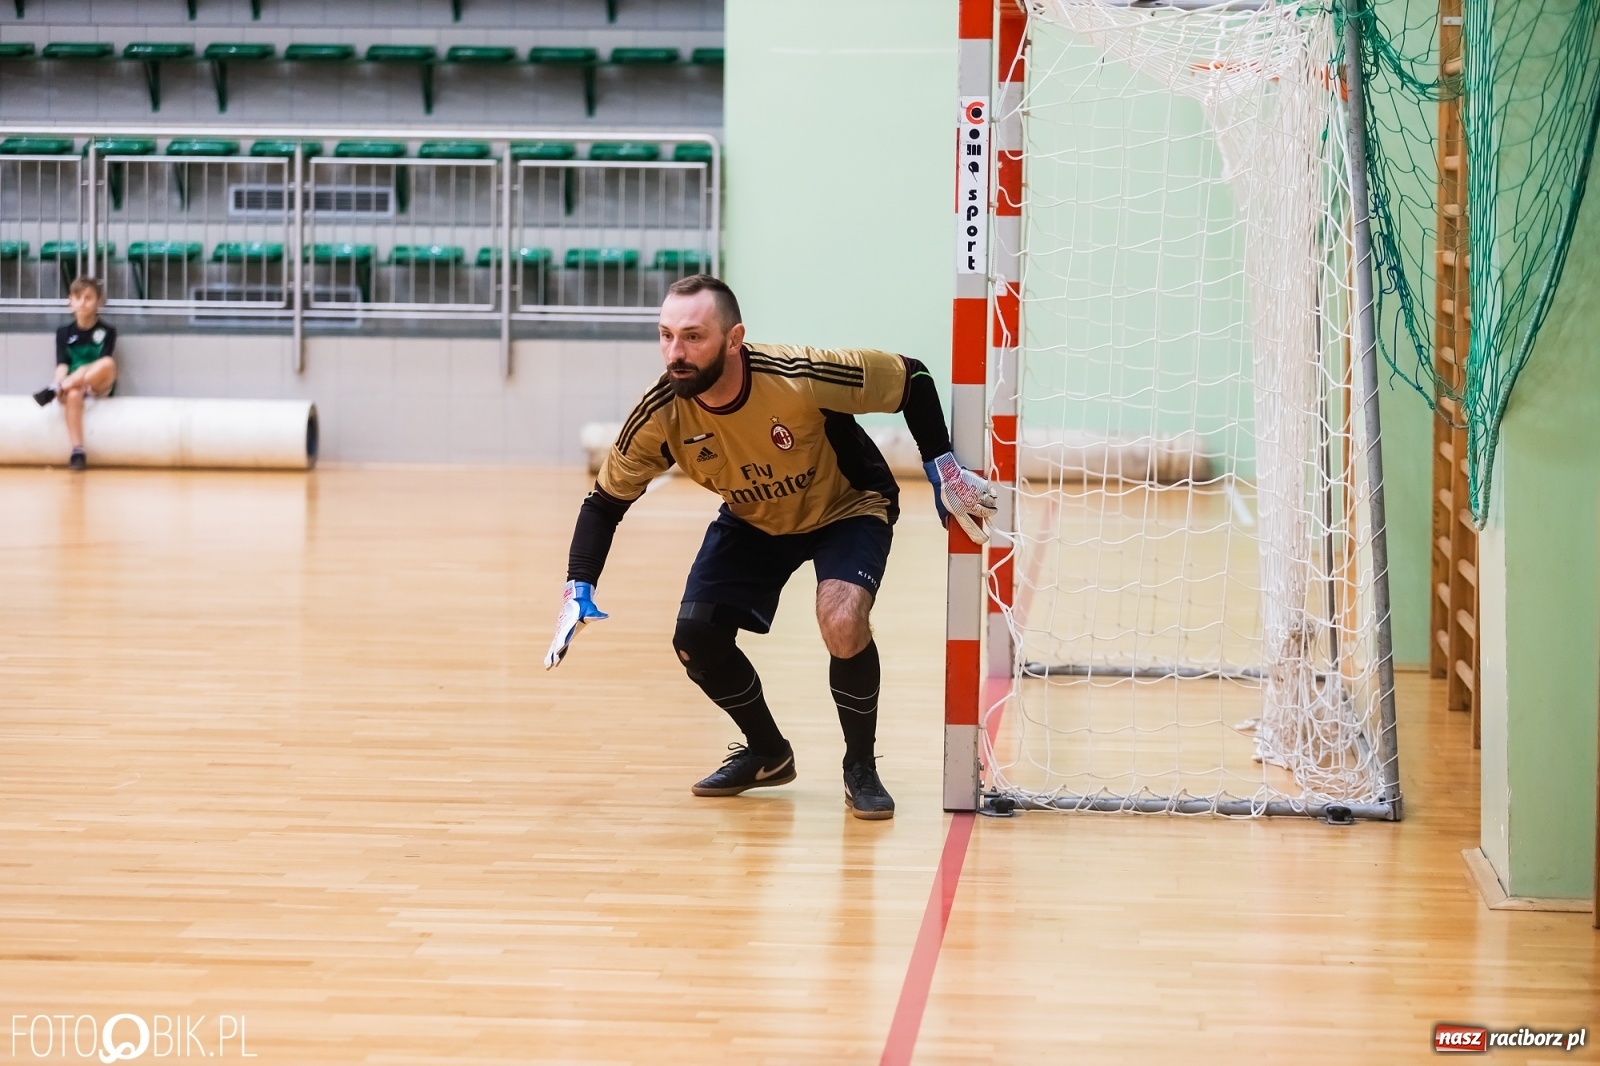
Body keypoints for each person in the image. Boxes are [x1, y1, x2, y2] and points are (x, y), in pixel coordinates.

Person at [544, 275, 996, 820]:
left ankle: (860, 767)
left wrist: (942, 464)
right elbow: (604, 503)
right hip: (755, 516)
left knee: (842, 617)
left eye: (692, 337)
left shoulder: (797, 374)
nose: (675, 354)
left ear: (734, 339)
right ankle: (767, 754)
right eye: (665, 336)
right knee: (695, 638)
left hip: (846, 505)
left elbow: (911, 377)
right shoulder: (661, 414)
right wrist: (579, 583)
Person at [34, 276, 117, 471]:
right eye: (78, 297)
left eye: (88, 297)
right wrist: (61, 380)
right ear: (70, 301)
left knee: (108, 363)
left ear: (98, 302)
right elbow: (62, 364)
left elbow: (103, 363)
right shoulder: (63, 332)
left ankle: (57, 389)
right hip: (73, 384)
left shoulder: (107, 331)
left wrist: (79, 374)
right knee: (72, 394)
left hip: (97, 382)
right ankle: (77, 451)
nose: (83, 302)